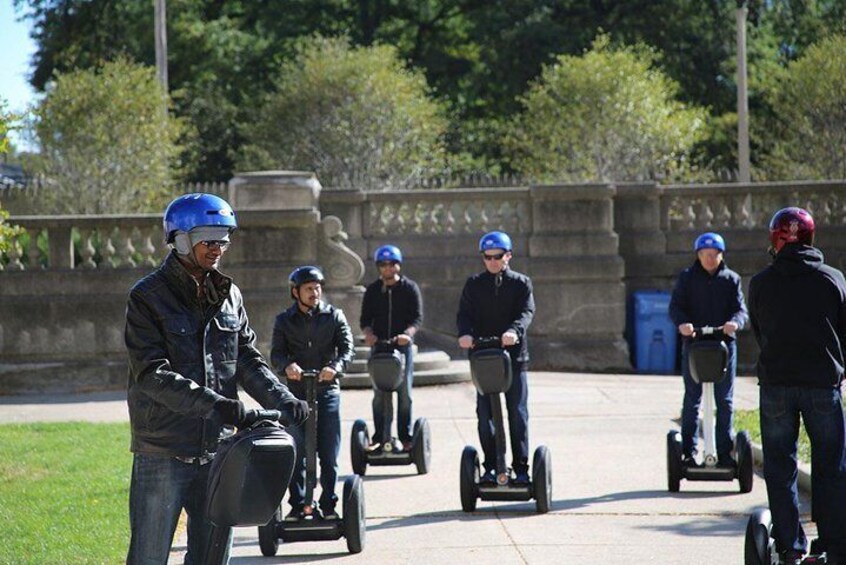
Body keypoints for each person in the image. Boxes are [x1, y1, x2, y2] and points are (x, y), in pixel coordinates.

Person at [124, 193, 309, 564]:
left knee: (212, 557)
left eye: (223, 238)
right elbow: (153, 375)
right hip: (163, 451)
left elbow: (246, 359)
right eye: (208, 238)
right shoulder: (147, 297)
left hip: (220, 452)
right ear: (179, 239)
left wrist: (281, 398)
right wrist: (223, 407)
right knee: (148, 556)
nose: (218, 248)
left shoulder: (229, 295)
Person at [748, 207, 846, 565]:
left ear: (776, 239)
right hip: (822, 384)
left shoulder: (760, 282)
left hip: (776, 384)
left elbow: (759, 331)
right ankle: (833, 546)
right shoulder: (833, 279)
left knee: (779, 465)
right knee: (831, 466)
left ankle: (790, 546)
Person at [271, 266, 354, 521]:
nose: (314, 292)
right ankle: (298, 506)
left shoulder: (334, 316)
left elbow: (347, 349)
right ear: (295, 292)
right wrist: (287, 366)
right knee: (296, 452)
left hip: (326, 391)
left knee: (328, 454)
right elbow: (276, 354)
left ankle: (328, 506)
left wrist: (335, 367)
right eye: (308, 288)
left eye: (317, 287)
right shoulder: (284, 321)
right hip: (296, 395)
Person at [457, 230, 535, 485]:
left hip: (514, 358)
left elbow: (526, 312)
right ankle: (491, 466)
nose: (492, 261)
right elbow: (464, 314)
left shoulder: (521, 283)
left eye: (497, 256)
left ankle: (521, 468)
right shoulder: (474, 284)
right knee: (485, 415)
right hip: (484, 358)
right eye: (487, 257)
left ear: (508, 256)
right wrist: (465, 334)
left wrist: (514, 331)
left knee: (517, 414)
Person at [669, 231, 748, 468]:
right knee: (692, 399)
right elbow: (675, 308)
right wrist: (682, 324)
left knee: (724, 400)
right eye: (704, 255)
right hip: (695, 346)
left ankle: (724, 452)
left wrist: (735, 323)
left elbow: (741, 310)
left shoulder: (731, 279)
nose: (709, 259)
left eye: (713, 255)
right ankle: (688, 452)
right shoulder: (687, 278)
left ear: (721, 255)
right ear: (698, 255)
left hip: (724, 347)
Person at [360, 244, 423, 452]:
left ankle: (405, 438)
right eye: (383, 265)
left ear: (398, 265)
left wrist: (408, 334)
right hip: (379, 348)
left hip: (401, 348)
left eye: (392, 264)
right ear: (379, 267)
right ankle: (379, 436)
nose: (388, 268)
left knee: (404, 394)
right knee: (379, 394)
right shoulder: (372, 291)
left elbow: (417, 318)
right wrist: (369, 334)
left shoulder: (409, 288)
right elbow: (365, 320)